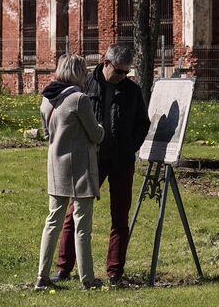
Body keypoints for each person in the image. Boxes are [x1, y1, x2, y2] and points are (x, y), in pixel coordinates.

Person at [54, 43, 150, 287]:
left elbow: (142, 123)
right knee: (73, 214)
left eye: (127, 72)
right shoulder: (85, 85)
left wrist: (130, 146)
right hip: (89, 160)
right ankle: (63, 268)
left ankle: (115, 272)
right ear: (105, 63)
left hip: (121, 161)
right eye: (119, 71)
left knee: (120, 217)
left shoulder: (132, 91)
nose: (122, 77)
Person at [35, 54, 105, 291]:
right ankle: (88, 279)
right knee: (82, 226)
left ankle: (42, 276)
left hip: (56, 167)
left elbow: (46, 134)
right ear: (78, 72)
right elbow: (95, 134)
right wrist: (102, 130)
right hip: (80, 169)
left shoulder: (46, 99)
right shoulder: (79, 99)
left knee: (52, 222)